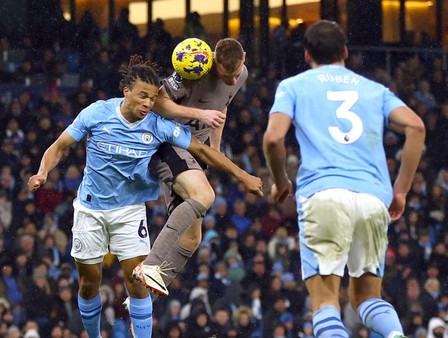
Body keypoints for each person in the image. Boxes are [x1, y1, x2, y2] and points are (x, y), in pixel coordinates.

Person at [27, 55, 262, 338]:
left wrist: (242, 175)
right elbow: (60, 146)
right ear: (126, 91)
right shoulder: (97, 113)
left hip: (129, 211)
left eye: (152, 98)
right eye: (142, 96)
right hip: (90, 209)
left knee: (137, 284)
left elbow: (202, 150)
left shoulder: (157, 125)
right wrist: (42, 172)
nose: (148, 104)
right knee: (89, 284)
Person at [262, 20, 425, 338]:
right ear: (346, 53)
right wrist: (401, 190)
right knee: (367, 298)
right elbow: (416, 127)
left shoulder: (293, 86)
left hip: (322, 194)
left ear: (307, 55)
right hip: (373, 197)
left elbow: (272, 138)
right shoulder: (374, 90)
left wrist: (281, 181)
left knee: (324, 302)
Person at [132, 38, 253, 296]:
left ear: (244, 57)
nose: (232, 80)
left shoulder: (241, 74)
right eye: (225, 74)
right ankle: (150, 265)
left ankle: (142, 302)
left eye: (235, 74)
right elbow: (161, 103)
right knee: (205, 196)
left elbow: (222, 108)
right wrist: (200, 115)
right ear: (213, 61)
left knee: (191, 239)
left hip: (196, 148)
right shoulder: (195, 67)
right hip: (169, 141)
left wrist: (215, 150)